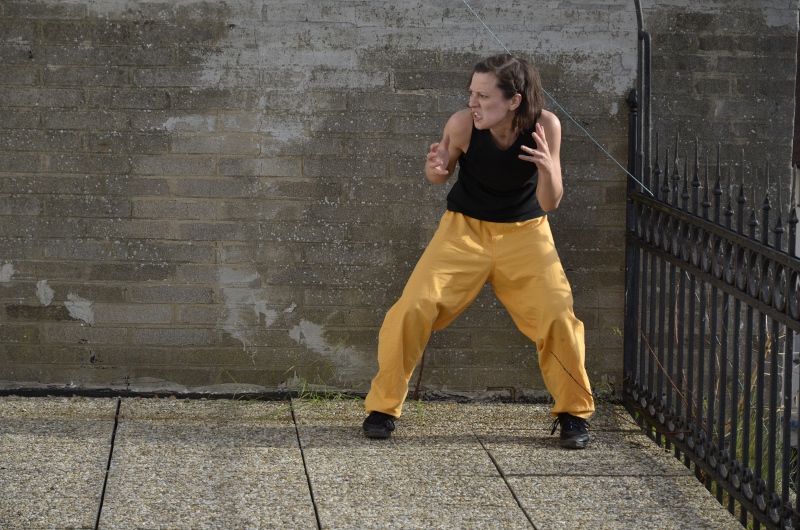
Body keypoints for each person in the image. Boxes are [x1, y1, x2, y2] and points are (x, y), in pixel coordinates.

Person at [362, 54, 595, 449]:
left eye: (484, 96)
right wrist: (435, 167)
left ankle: (573, 413)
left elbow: (550, 202)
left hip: (526, 233)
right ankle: (383, 408)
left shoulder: (545, 126)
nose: (473, 102)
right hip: (463, 230)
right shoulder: (462, 124)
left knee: (557, 314)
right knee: (413, 306)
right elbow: (438, 174)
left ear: (514, 101)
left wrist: (548, 168)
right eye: (471, 93)